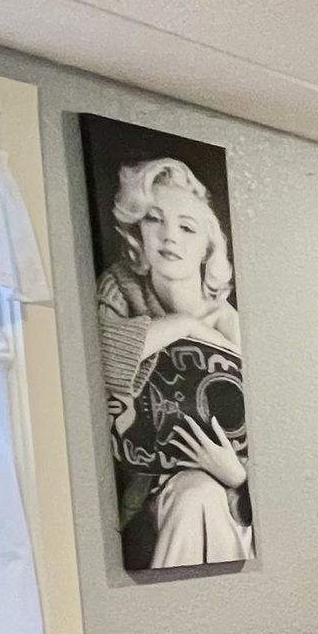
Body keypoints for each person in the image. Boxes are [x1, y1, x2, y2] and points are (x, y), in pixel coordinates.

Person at [98, 157, 251, 571]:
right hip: (143, 487)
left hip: (229, 488)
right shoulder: (121, 290)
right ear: (138, 231)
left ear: (207, 247)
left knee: (201, 493)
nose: (169, 237)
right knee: (194, 494)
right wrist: (185, 326)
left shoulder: (232, 322)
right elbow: (104, 360)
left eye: (186, 227)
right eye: (154, 220)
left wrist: (235, 474)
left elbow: (260, 430)